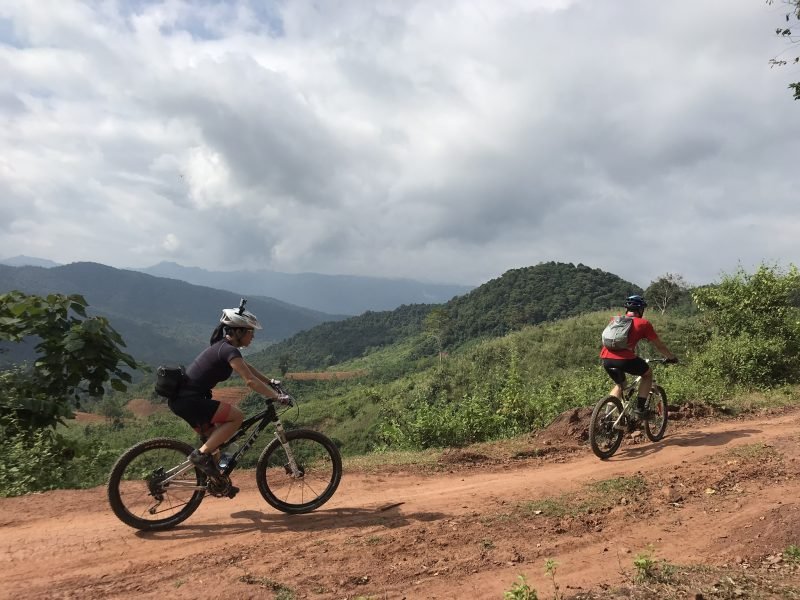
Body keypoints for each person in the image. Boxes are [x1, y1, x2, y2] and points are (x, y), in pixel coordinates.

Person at [168, 302, 287, 491]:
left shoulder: (224, 348)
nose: (253, 336)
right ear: (238, 332)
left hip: (184, 401)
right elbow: (249, 380)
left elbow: (248, 369)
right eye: (250, 332)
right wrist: (276, 397)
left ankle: (217, 482)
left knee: (215, 442)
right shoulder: (228, 350)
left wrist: (270, 381)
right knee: (237, 417)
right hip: (190, 401)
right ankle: (200, 456)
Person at [600, 295, 678, 421]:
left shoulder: (615, 320)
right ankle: (640, 408)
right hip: (625, 360)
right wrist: (671, 357)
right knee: (647, 374)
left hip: (606, 359)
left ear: (627, 309)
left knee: (620, 385)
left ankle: (606, 417)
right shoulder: (644, 323)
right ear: (641, 310)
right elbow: (660, 346)